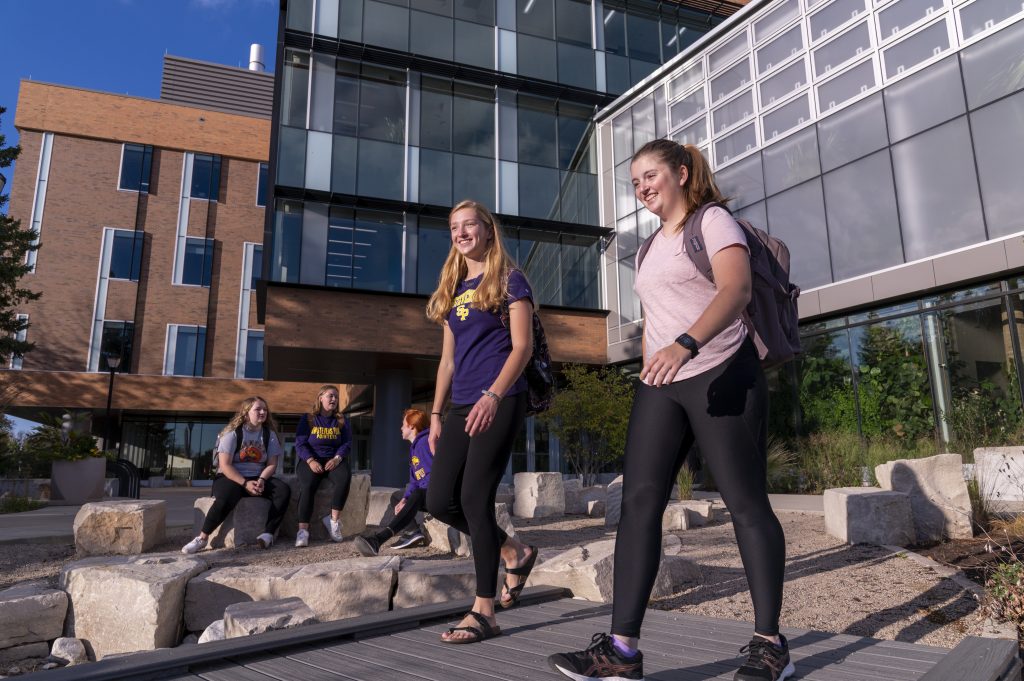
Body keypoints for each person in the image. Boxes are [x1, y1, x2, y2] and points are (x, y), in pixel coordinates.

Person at [547, 140, 793, 681]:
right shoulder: (648, 248)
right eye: (635, 182)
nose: (642, 188)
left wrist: (685, 343)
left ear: (682, 174)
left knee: (745, 503)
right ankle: (621, 650)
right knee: (638, 503)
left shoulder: (714, 223)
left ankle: (769, 643)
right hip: (662, 384)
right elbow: (657, 313)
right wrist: (654, 359)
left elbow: (736, 289)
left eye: (650, 175)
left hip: (722, 370)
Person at [423, 199, 539, 645]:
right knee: (438, 500)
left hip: (501, 397)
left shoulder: (511, 280)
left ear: (488, 231)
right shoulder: (453, 288)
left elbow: (522, 347)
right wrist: (435, 413)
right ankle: (515, 551)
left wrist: (494, 394)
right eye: (455, 227)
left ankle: (484, 611)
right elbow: (448, 361)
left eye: (470, 224)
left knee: (474, 497)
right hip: (460, 406)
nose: (461, 232)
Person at [182, 396, 291, 553]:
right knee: (228, 496)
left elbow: (272, 464)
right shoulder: (232, 433)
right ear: (246, 413)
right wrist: (245, 483)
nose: (262, 412)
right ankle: (202, 538)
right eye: (258, 409)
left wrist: (261, 480)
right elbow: (225, 465)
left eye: (265, 409)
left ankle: (268, 534)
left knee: (283, 490)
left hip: (257, 477)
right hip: (230, 476)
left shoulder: (269, 435)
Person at [354, 408, 433, 556]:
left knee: (416, 494)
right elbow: (414, 479)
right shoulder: (414, 448)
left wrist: (416, 495)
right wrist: (405, 499)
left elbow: (434, 474)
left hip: (434, 494)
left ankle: (378, 540)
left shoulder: (424, 444)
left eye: (403, 424)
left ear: (412, 426)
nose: (401, 428)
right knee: (397, 496)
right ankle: (412, 532)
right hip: (423, 492)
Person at [293, 384, 353, 546]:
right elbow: (300, 443)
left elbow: (347, 443)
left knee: (344, 478)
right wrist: (311, 461)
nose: (333, 399)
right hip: (311, 460)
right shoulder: (309, 418)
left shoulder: (341, 420)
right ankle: (303, 531)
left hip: (333, 460)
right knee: (308, 486)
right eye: (330, 396)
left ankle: (333, 521)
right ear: (320, 398)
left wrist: (337, 458)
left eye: (335, 396)